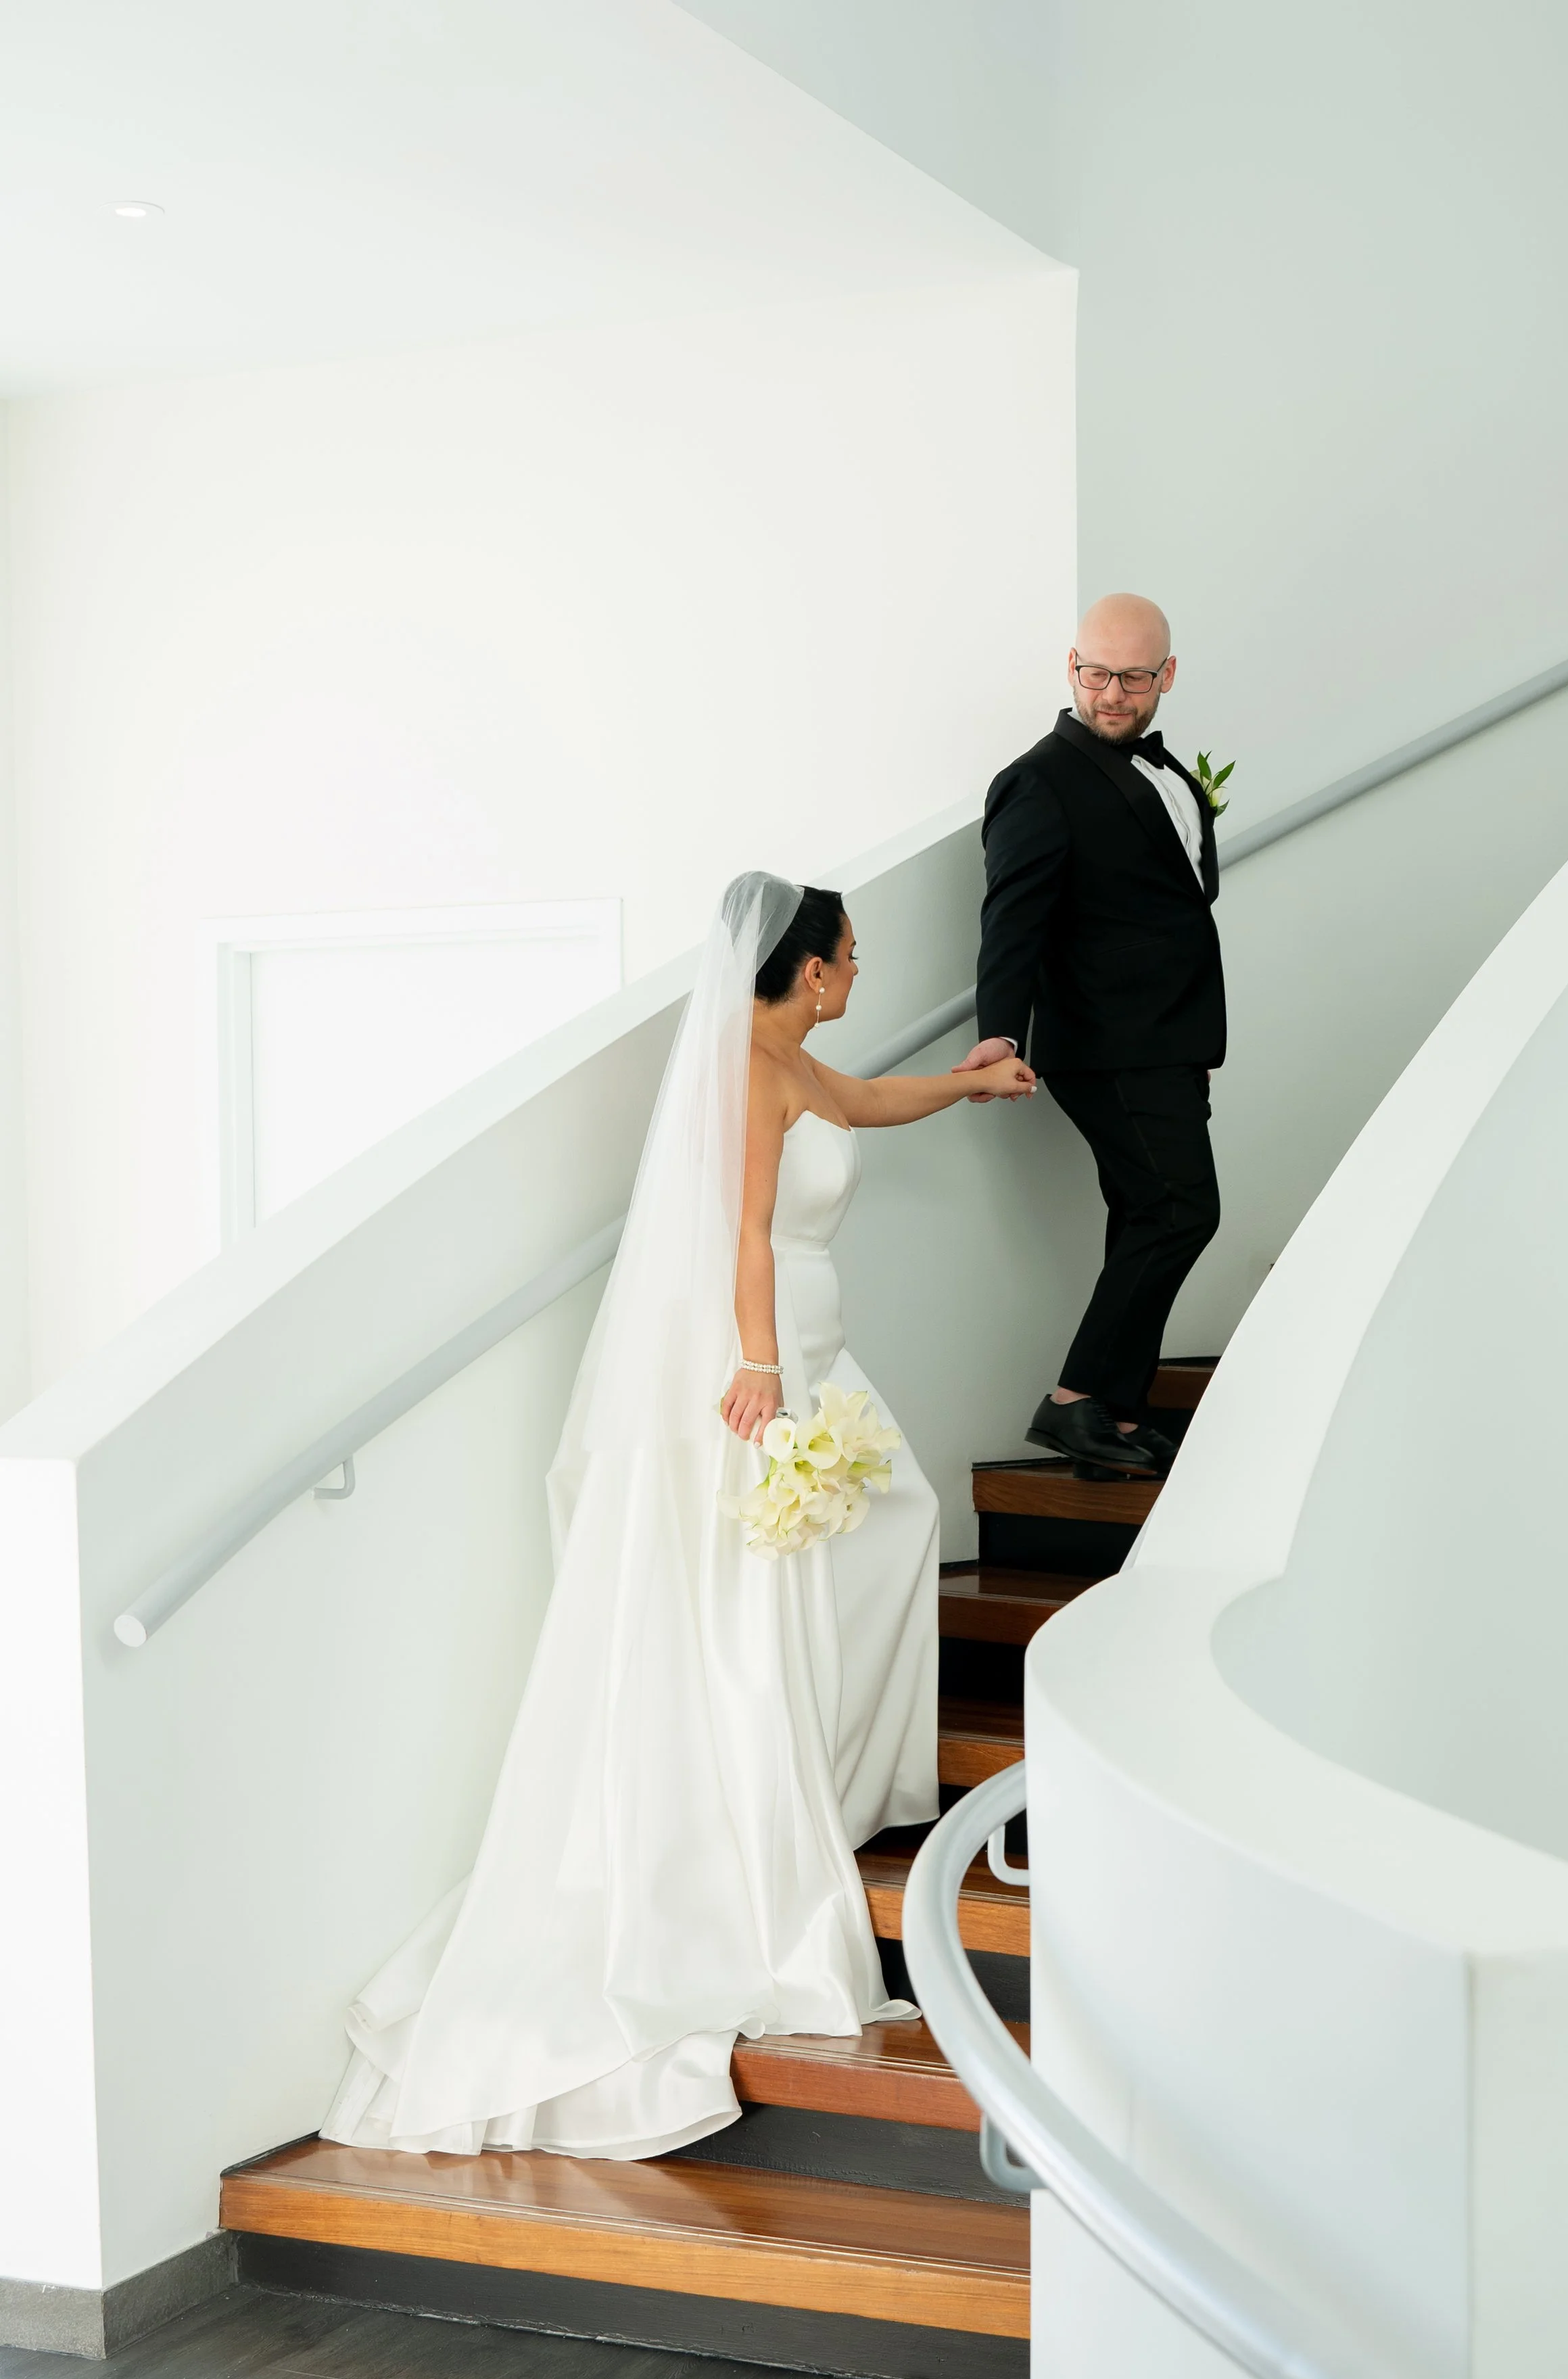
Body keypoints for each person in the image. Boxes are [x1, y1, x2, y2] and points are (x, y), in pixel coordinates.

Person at [322, 872, 1033, 2163]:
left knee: (898, 1523)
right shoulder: (742, 1071)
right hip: (774, 1357)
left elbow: (869, 1102)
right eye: (853, 956)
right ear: (808, 969)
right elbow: (746, 1232)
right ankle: (783, 1789)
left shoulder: (806, 1063)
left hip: (823, 1346)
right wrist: (761, 1369)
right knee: (773, 1582)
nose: (861, 972)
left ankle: (838, 1771)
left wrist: (968, 1083)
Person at [956, 592, 1225, 1480]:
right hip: (1109, 1045)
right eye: (1095, 674)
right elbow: (1012, 921)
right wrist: (1000, 1033)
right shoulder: (1039, 780)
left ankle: (1116, 1412)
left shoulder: (1173, 776)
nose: (1112, 694)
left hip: (1172, 1039)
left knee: (1144, 1214)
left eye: (1134, 678)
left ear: (1167, 677)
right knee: (1184, 1208)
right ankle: (1074, 1401)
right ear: (1072, 669)